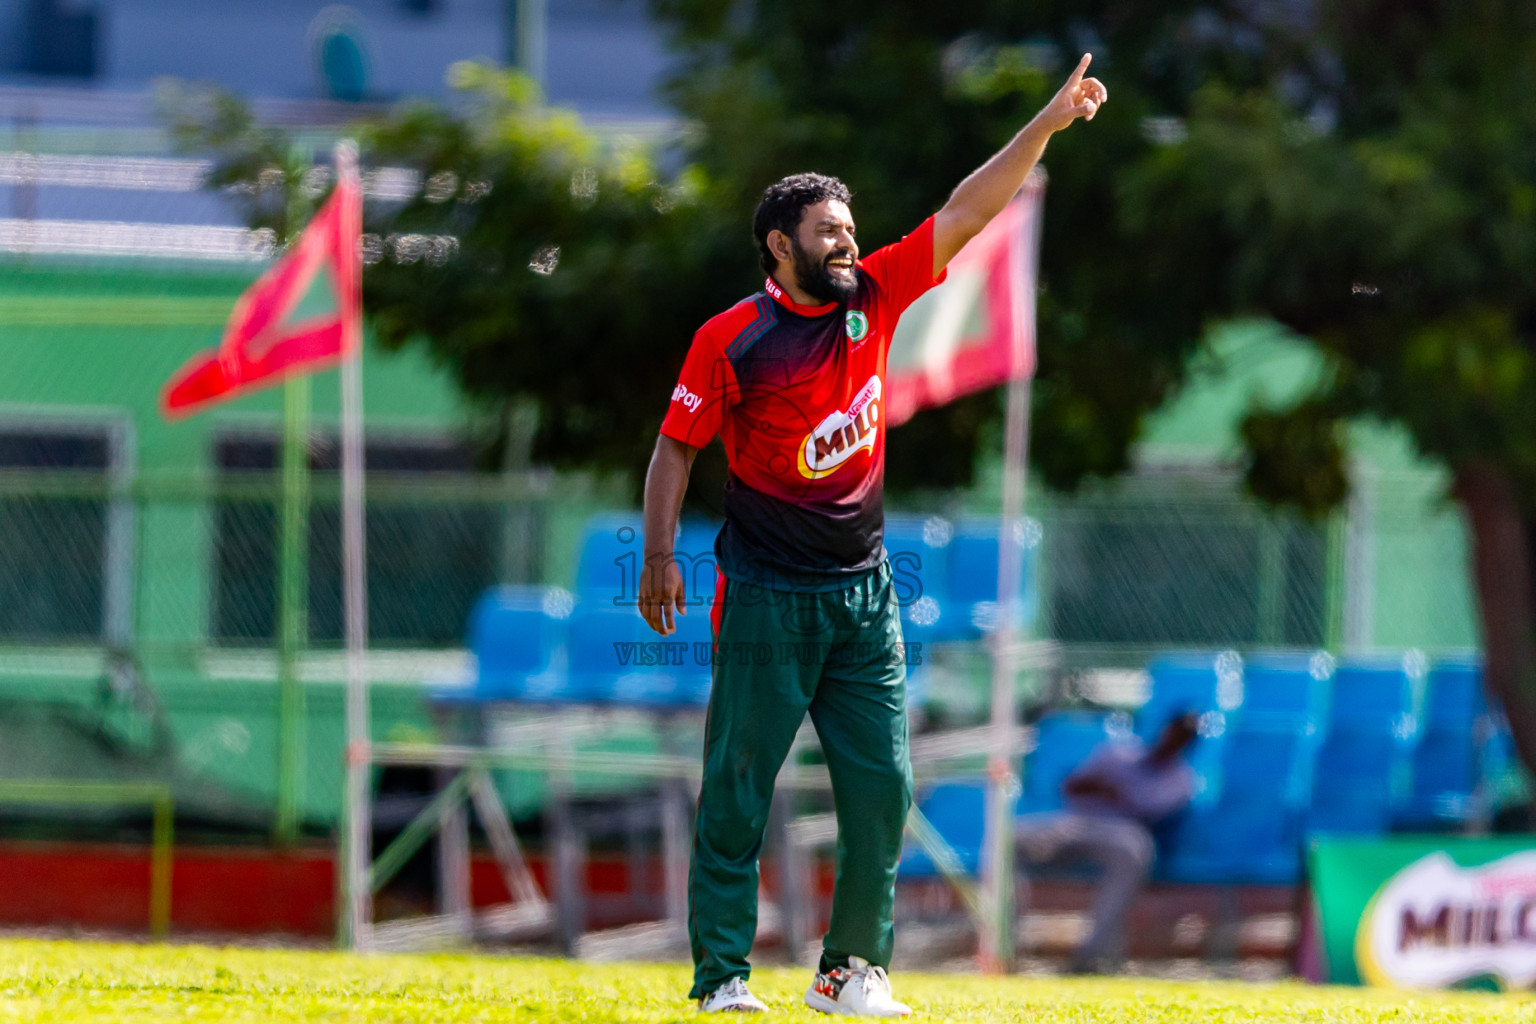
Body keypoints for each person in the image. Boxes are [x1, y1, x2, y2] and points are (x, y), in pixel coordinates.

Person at [638, 55, 1108, 1016]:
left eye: (851, 229)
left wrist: (1047, 124)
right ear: (780, 245)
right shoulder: (728, 339)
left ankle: (849, 973)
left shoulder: (876, 296)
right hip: (765, 595)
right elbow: (674, 451)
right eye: (827, 232)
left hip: (863, 593)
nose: (848, 243)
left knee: (883, 787)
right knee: (737, 790)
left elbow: (967, 211)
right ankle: (723, 976)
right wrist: (656, 558)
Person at [1015, 712, 1201, 975]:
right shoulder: (1117, 753)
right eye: (1174, 730)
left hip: (1123, 833)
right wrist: (1106, 790)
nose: (1175, 739)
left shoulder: (1182, 780)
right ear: (1165, 728)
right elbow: (1072, 786)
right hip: (1076, 823)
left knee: (1135, 853)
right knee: (1008, 839)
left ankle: (1092, 958)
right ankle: (1003, 942)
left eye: (1184, 736)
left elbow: (1144, 813)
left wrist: (1114, 791)